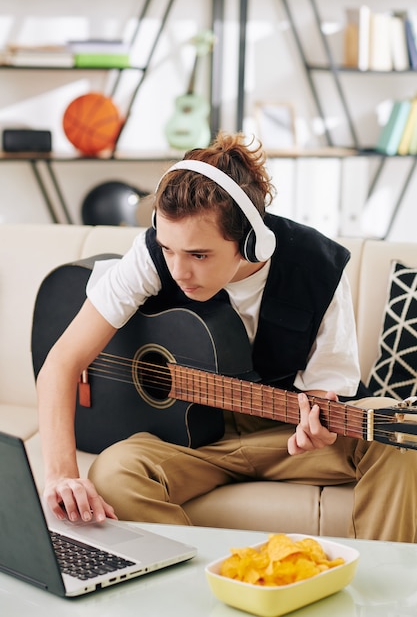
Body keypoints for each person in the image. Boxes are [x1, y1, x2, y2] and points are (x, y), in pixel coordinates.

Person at [37, 131, 417, 543]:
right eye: (168, 249)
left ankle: (385, 595)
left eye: (199, 255)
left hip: (283, 435)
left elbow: (326, 395)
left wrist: (318, 425)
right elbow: (61, 362)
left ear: (251, 244)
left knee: (398, 432)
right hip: (190, 443)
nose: (179, 270)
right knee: (113, 472)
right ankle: (205, 588)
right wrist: (61, 476)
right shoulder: (152, 255)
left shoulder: (317, 266)